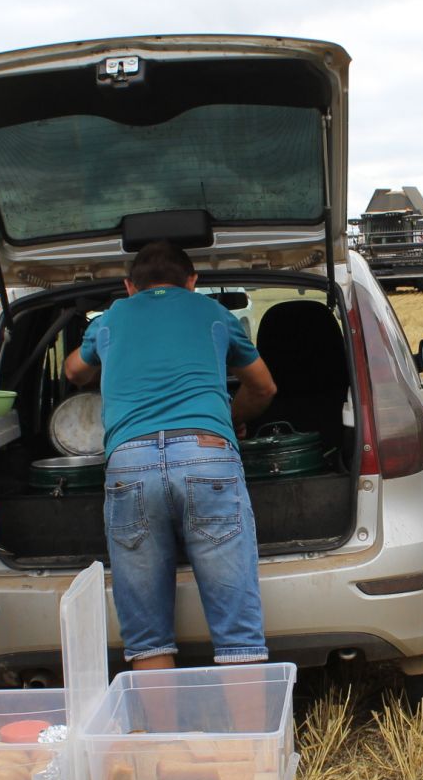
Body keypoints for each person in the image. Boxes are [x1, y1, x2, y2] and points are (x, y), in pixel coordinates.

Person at [63, 240, 278, 668]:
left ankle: (160, 736)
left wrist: (102, 358)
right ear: (193, 282)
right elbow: (264, 387)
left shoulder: (109, 320)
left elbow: (73, 371)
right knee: (238, 633)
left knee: (148, 637)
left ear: (129, 286)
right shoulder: (215, 314)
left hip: (130, 465)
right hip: (207, 456)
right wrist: (229, 420)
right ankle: (252, 737)